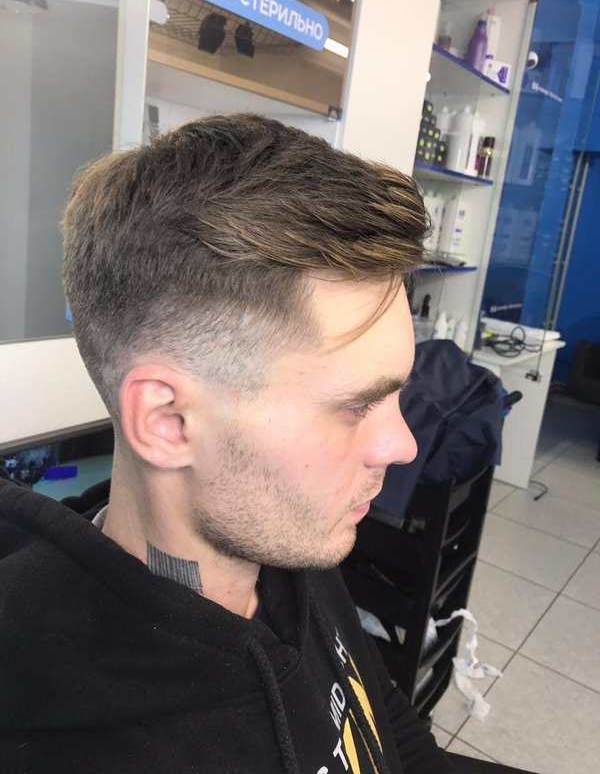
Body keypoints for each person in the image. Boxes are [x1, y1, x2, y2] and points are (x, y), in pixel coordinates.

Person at [0, 115, 526, 774]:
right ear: (168, 422)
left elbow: (389, 731)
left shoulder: (290, 546)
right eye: (356, 405)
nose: (402, 446)